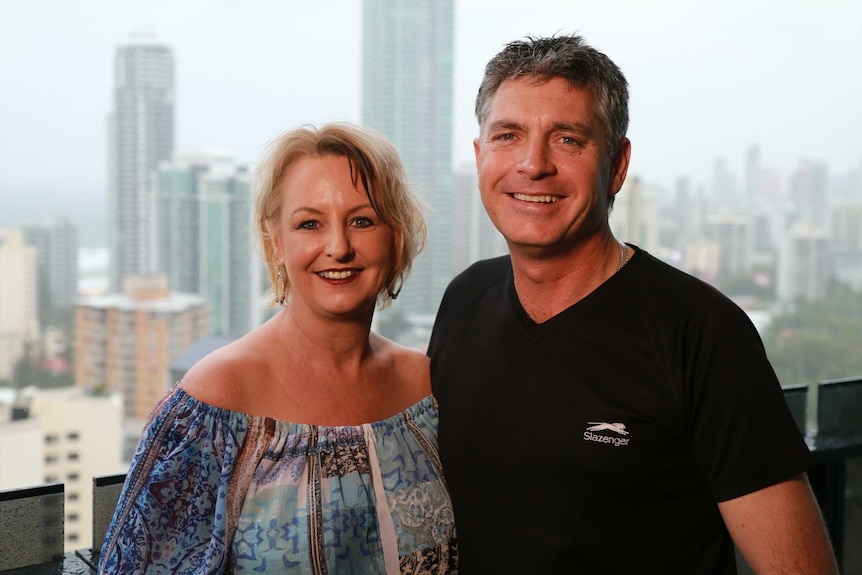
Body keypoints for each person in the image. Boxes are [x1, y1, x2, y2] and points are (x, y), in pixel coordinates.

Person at [427, 34, 837, 574]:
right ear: (480, 157)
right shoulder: (464, 299)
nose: (532, 164)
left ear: (617, 165)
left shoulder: (701, 332)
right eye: (508, 136)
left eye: (568, 139)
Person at [99, 123, 458, 574]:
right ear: (277, 244)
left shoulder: (424, 387)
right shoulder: (214, 400)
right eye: (310, 223)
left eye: (362, 221)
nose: (338, 246)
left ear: (396, 237)